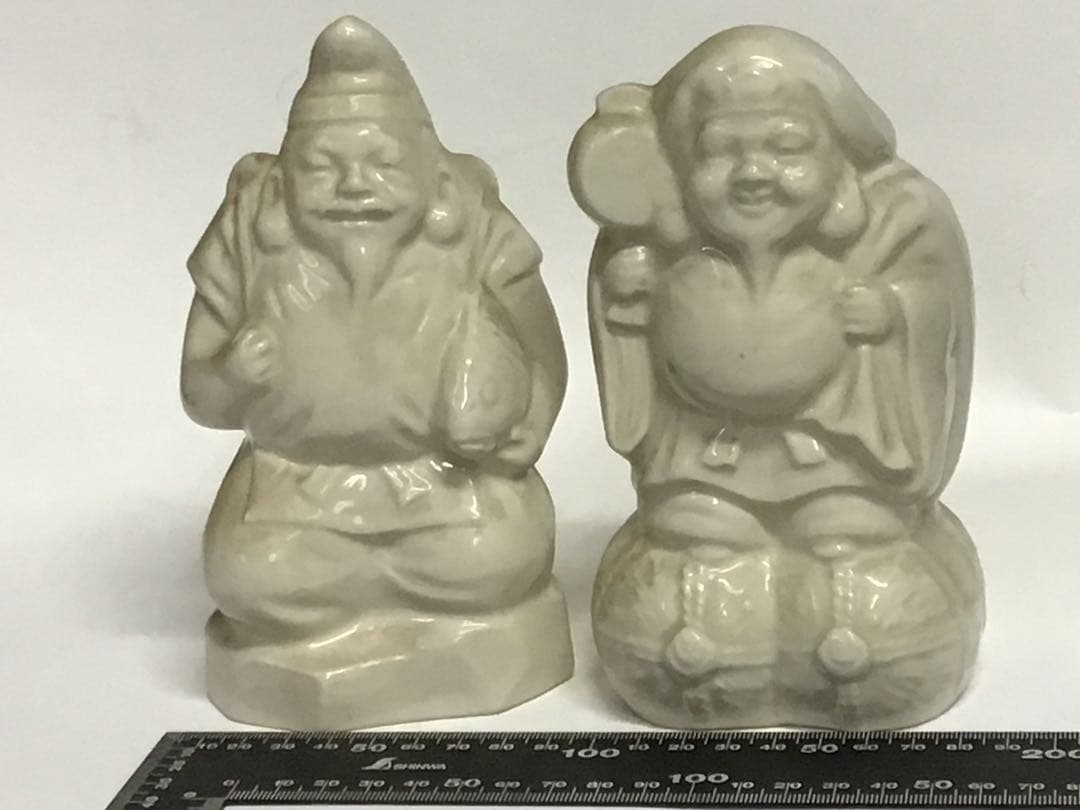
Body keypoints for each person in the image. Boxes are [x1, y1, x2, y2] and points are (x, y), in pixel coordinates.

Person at [573, 26, 983, 728]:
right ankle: (710, 607)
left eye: (788, 147)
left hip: (841, 455)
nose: (754, 172)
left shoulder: (898, 223)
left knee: (851, 531)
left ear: (838, 156)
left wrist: (890, 314)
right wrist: (630, 306)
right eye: (721, 151)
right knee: (693, 534)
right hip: (707, 453)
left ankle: (845, 601)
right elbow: (627, 355)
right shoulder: (654, 241)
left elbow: (936, 311)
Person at [181, 16, 569, 728]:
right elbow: (200, 396)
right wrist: (232, 374)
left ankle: (427, 617)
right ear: (283, 180)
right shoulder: (247, 242)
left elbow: (541, 347)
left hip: (446, 482)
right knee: (250, 580)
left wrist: (528, 425)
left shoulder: (477, 233)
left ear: (434, 175)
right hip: (295, 483)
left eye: (384, 165)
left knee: (496, 560)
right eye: (322, 168)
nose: (354, 186)